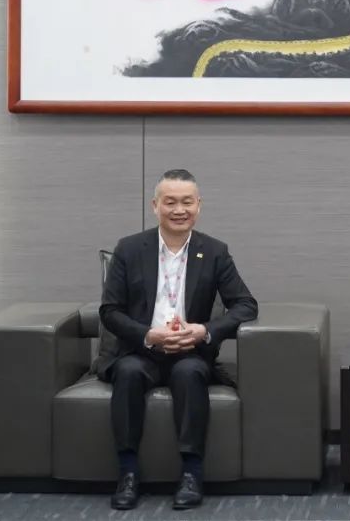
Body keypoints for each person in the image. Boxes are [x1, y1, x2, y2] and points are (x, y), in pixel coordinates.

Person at [98, 169, 258, 511]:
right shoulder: (129, 248)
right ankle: (127, 473)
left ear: (199, 206)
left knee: (190, 373)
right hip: (140, 350)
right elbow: (109, 311)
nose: (179, 210)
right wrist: (147, 335)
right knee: (128, 373)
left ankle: (191, 474)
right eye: (170, 202)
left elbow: (246, 305)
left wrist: (204, 331)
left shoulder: (214, 251)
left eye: (187, 202)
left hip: (190, 352)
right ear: (155, 206)